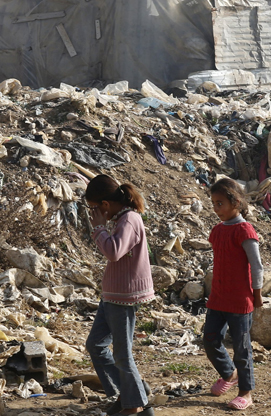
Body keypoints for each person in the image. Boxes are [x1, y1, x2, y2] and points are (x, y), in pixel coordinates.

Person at [85, 175, 154, 416]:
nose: (93, 213)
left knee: (122, 355)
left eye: (94, 208)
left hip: (123, 296)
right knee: (95, 344)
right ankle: (132, 391)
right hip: (112, 295)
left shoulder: (129, 220)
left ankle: (135, 403)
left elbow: (114, 252)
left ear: (105, 204)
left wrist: (98, 229)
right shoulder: (122, 218)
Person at [203, 177, 264, 411]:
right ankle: (229, 373)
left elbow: (256, 265)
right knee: (209, 340)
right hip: (218, 298)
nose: (216, 208)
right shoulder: (217, 231)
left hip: (240, 301)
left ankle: (246, 393)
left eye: (220, 203)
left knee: (242, 348)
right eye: (214, 203)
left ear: (235, 202)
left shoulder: (244, 230)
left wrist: (256, 294)